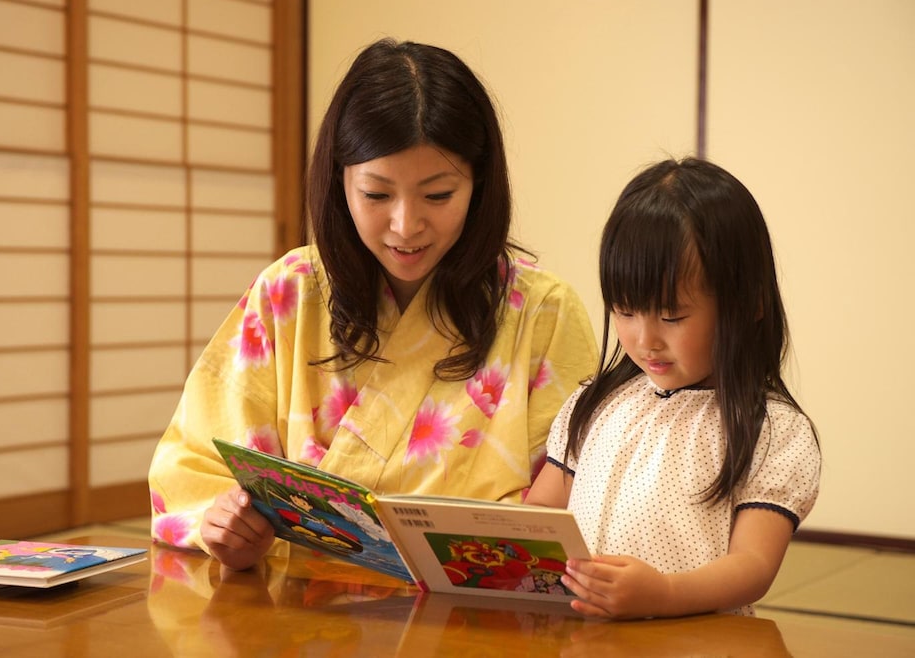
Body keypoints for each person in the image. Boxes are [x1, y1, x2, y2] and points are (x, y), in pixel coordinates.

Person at [148, 38, 599, 571]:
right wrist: (223, 521)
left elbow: (577, 501)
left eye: (437, 195)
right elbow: (194, 463)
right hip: (297, 617)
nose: (406, 225)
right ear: (340, 181)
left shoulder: (543, 313)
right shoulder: (290, 292)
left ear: (479, 185)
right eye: (377, 195)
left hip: (475, 621)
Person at [526, 157, 820, 619]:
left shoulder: (771, 430)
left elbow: (754, 565)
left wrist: (664, 594)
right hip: (585, 634)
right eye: (625, 310)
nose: (646, 341)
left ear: (749, 305)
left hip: (696, 640)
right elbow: (543, 509)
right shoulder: (596, 401)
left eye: (672, 316)